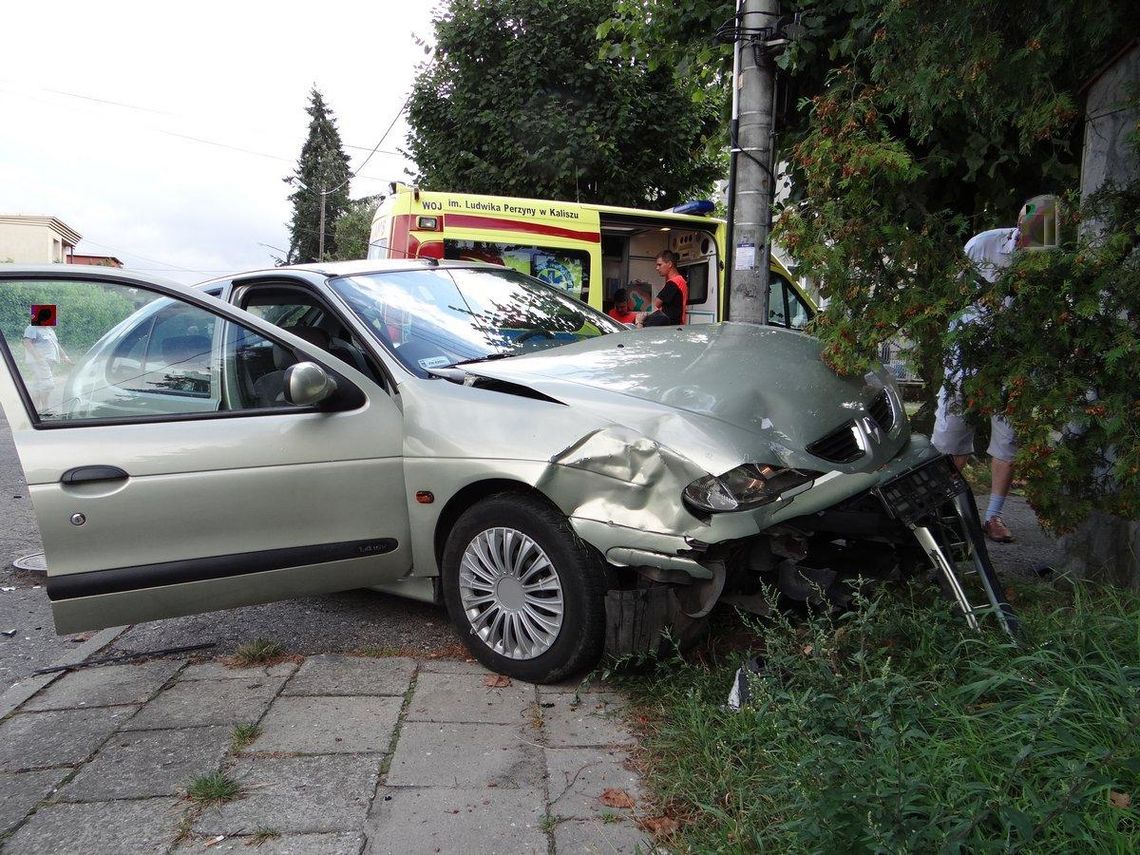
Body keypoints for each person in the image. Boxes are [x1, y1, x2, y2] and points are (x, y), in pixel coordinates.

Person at [932, 225, 1022, 543]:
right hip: (968, 347)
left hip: (1014, 354)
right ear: (1017, 229)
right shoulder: (984, 244)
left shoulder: (1050, 258)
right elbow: (956, 292)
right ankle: (944, 513)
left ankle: (993, 517)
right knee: (950, 437)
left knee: (1008, 438)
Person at [22, 306, 71, 411]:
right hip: (39, 362)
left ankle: (36, 410)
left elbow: (56, 345)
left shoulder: (49, 329)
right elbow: (27, 342)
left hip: (49, 362)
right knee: (47, 384)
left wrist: (65, 357)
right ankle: (44, 409)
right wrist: (38, 358)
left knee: (39, 384)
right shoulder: (32, 327)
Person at [640, 250, 688, 327]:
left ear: (669, 264)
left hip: (671, 327)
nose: (657, 268)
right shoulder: (679, 280)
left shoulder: (673, 283)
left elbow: (653, 306)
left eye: (659, 265)